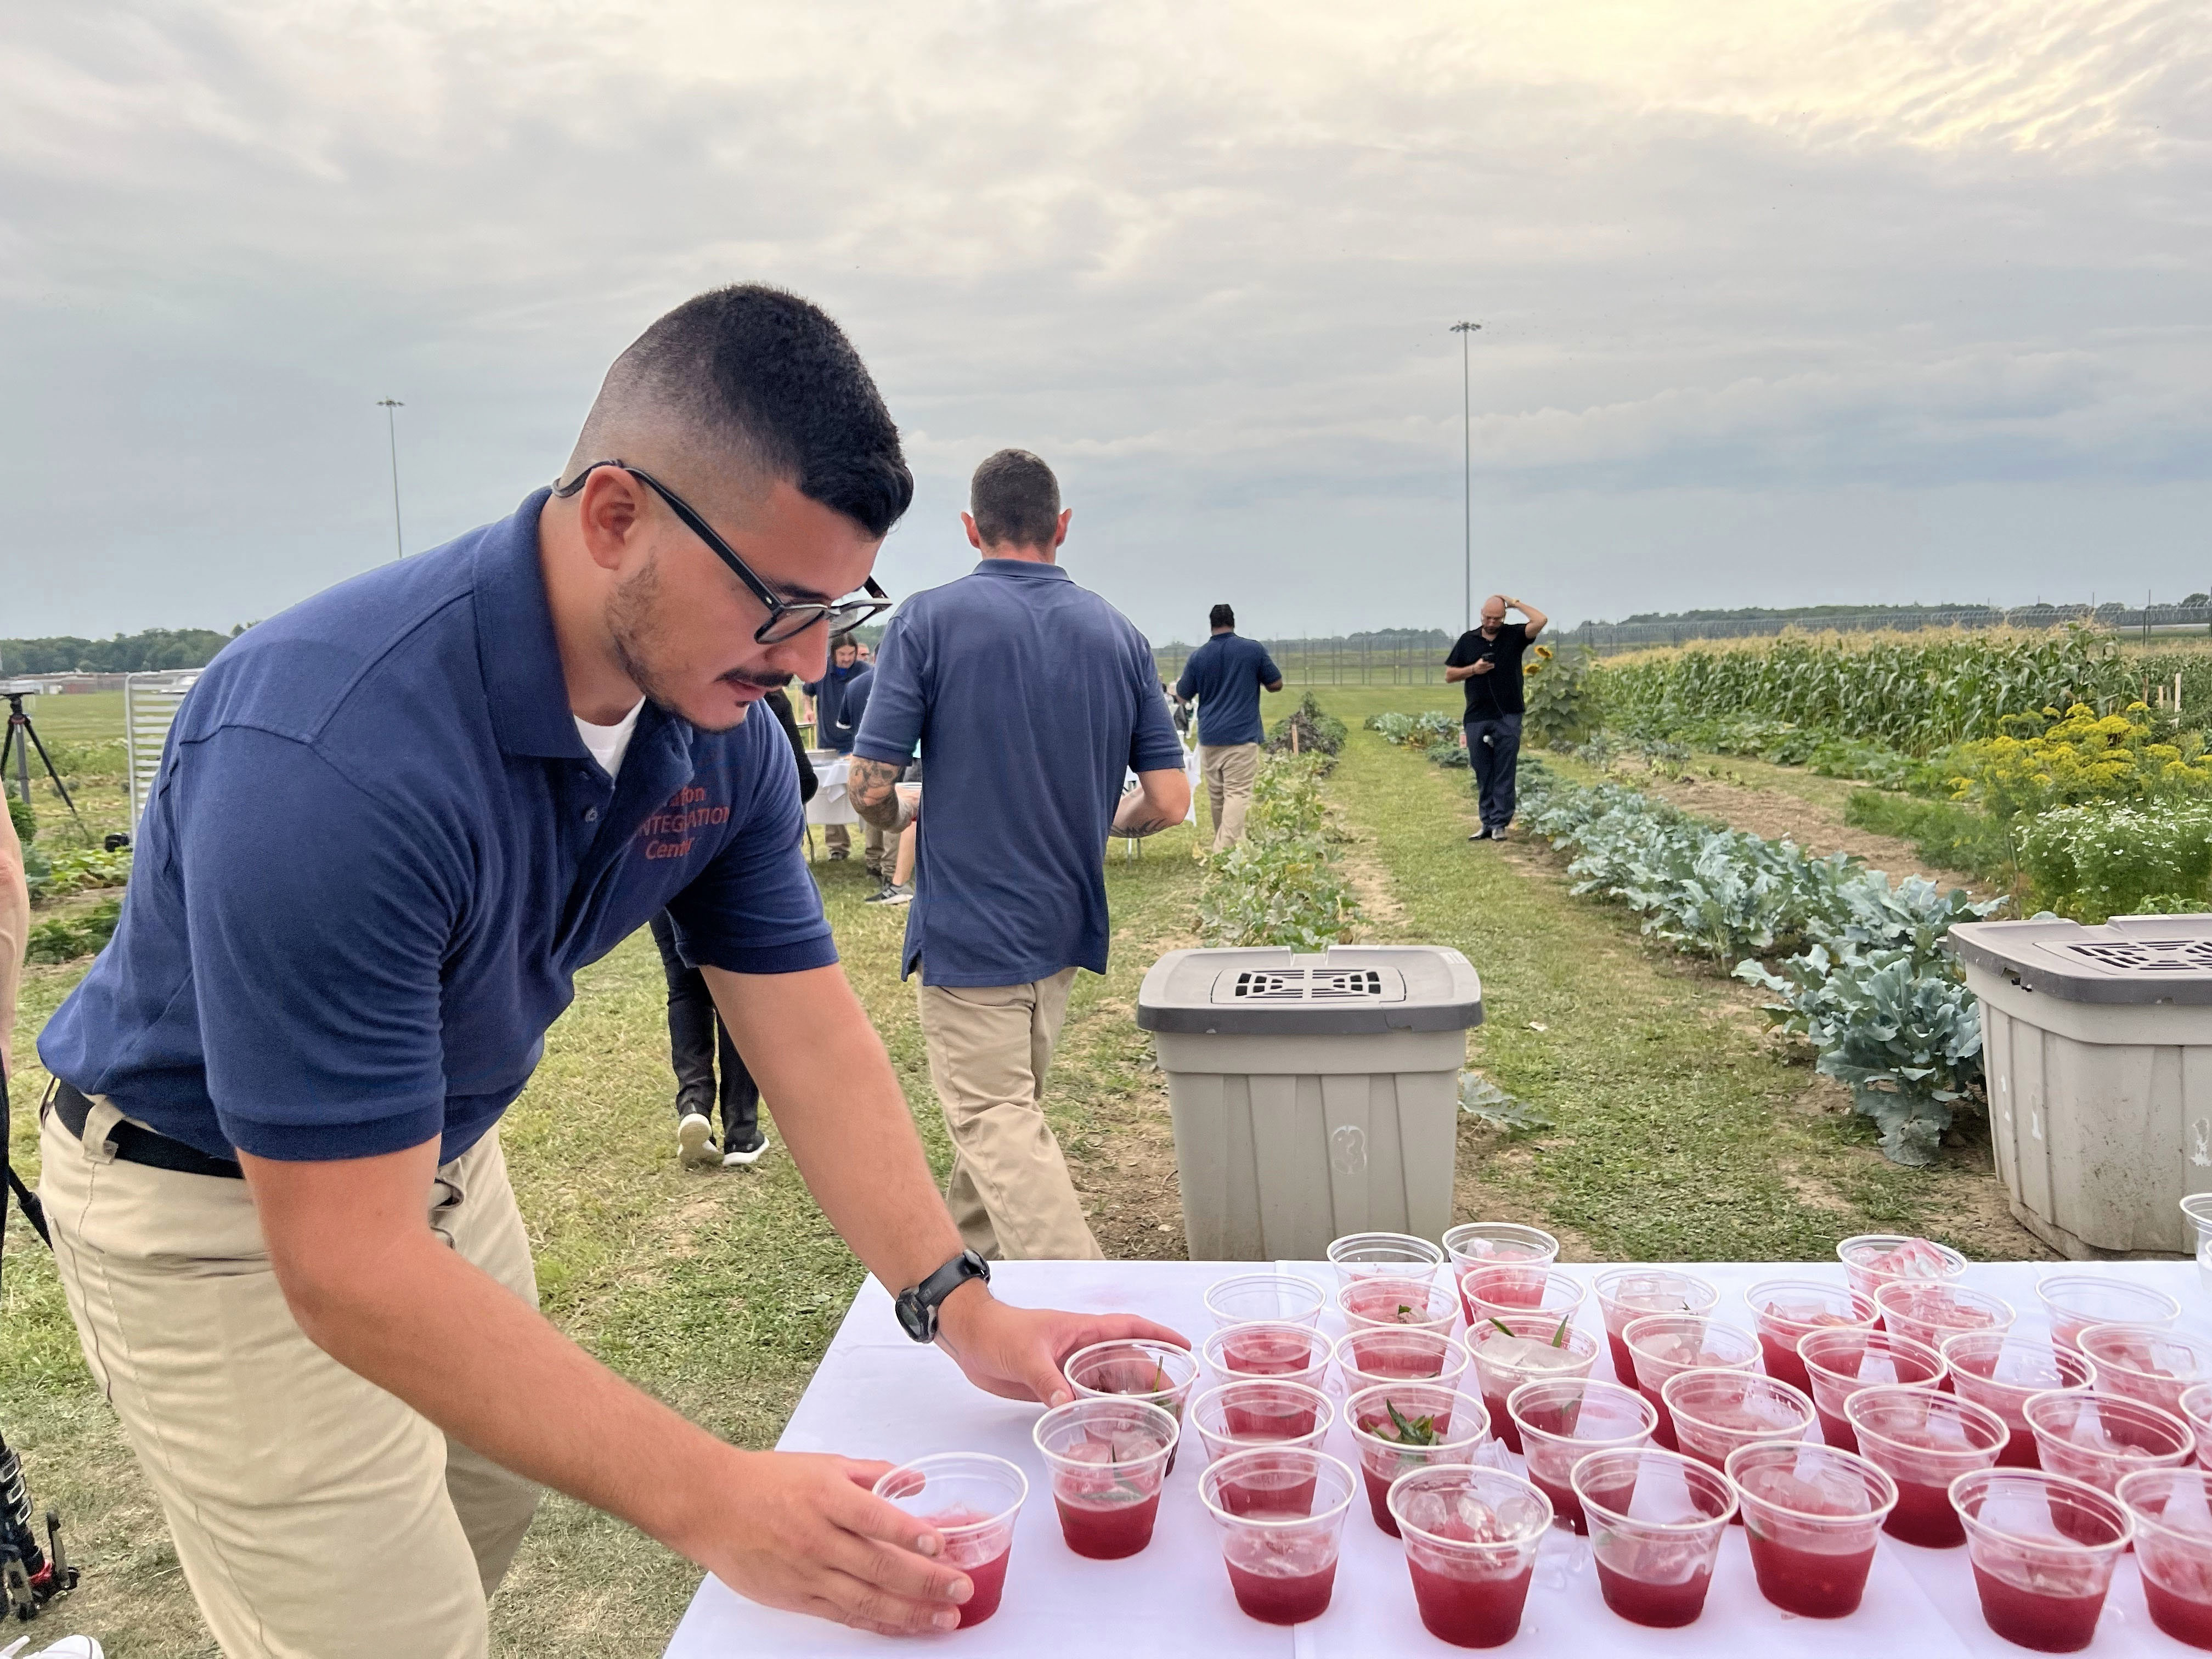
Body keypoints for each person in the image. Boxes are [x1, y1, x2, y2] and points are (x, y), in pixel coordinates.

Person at [31, 286, 1181, 1656]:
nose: (811, 660)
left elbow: (805, 1034)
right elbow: (344, 1262)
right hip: (215, 1203)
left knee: (485, 1504)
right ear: (615, 517)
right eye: (778, 603)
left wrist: (955, 1299)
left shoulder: (721, 728)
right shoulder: (330, 754)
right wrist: (716, 1502)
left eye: (839, 607)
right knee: (381, 1629)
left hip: (446, 1163)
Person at [849, 449, 1189, 1262]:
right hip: (1064, 929)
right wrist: (1098, 823)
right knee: (1003, 1116)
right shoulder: (1121, 634)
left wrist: (895, 813)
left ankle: (1102, 1332)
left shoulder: (928, 621)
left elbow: (870, 781)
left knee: (996, 1121)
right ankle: (977, 1288)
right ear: (1061, 527)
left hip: (971, 935)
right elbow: (1172, 802)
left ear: (972, 528)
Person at [660, 684, 815, 1170]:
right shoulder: (765, 698)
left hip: (665, 859)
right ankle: (742, 1132)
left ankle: (693, 1103)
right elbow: (801, 780)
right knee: (738, 991)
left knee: (684, 987)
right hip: (738, 865)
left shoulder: (654, 695)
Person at [1172, 603, 1283, 850]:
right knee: (1238, 793)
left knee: (1218, 796)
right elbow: (1276, 683)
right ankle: (1223, 850)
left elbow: (1182, 696)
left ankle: (1228, 846)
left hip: (1210, 736)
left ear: (1211, 625)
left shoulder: (1199, 656)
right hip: (1242, 735)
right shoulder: (1252, 650)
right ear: (1233, 622)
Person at [1445, 592, 1549, 839]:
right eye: (1488, 618)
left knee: (1505, 768)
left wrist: (1514, 604)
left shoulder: (1514, 635)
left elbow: (1541, 620)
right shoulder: (1467, 641)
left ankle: (1500, 824)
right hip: (1477, 714)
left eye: (1497, 618)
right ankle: (1486, 822)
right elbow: (1450, 675)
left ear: (1504, 617)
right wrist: (1474, 669)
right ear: (1481, 615)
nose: (1492, 623)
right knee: (1482, 769)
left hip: (1509, 713)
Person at [802, 634, 882, 876]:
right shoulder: (821, 670)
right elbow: (808, 692)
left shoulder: (865, 672)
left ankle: (875, 850)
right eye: (842, 655)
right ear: (833, 654)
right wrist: (808, 710)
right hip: (829, 740)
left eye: (850, 654)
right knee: (831, 796)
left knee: (868, 794)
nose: (846, 659)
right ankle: (837, 846)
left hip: (858, 742)